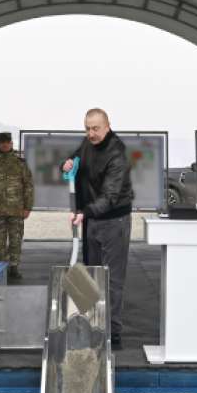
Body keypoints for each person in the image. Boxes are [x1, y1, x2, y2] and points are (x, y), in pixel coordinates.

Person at [61, 108, 134, 350]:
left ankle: (112, 333)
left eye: (95, 128)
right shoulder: (87, 144)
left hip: (114, 221)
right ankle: (93, 325)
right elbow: (74, 161)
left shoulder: (117, 154)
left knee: (112, 279)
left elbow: (110, 196)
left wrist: (84, 212)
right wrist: (66, 164)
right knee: (91, 274)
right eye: (87, 128)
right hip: (91, 218)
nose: (91, 133)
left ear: (107, 126)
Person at [0, 131, 34, 280]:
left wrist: (28, 207)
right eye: (2, 142)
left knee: (16, 241)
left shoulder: (20, 163)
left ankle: (14, 268)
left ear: (11, 143)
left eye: (7, 142)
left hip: (17, 210)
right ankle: (2, 268)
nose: (4, 145)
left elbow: (28, 186)